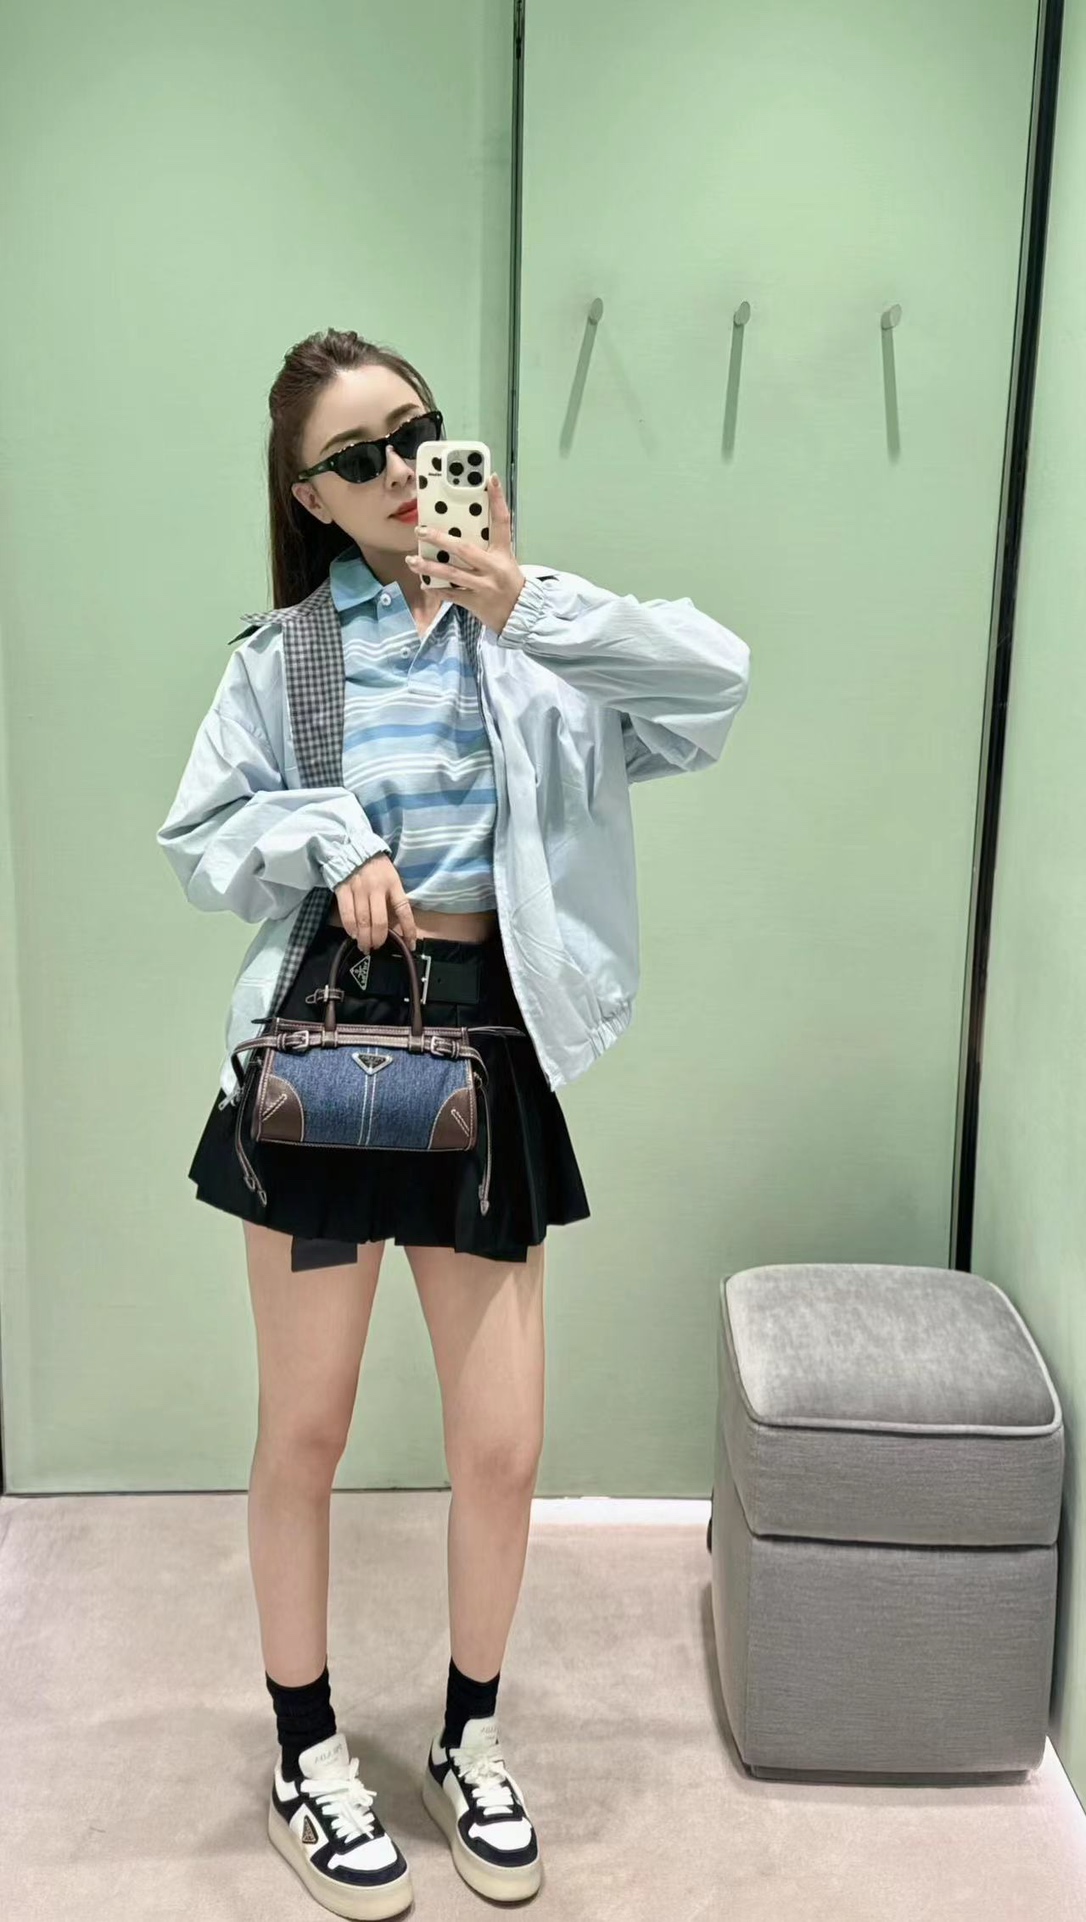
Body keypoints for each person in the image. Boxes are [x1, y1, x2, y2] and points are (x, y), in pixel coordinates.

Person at [157, 327, 750, 1918]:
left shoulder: (539, 629)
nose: (403, 470)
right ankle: (304, 1749)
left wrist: (522, 599)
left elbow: (716, 685)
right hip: (331, 1040)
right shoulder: (289, 658)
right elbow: (201, 835)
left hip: (490, 1040)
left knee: (500, 1441)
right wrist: (328, 833)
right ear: (311, 495)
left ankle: (469, 1735)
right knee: (305, 1427)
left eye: (416, 432)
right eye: (360, 456)